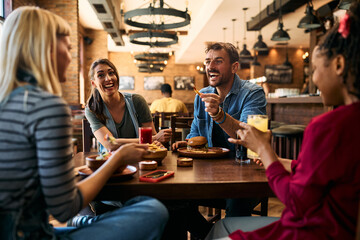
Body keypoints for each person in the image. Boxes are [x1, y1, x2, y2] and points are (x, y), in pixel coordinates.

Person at [0, 6, 168, 240]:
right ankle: (87, 220)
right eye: (67, 48)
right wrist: (119, 157)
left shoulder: (9, 100)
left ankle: (86, 221)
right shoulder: (50, 106)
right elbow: (64, 207)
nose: (70, 57)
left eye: (111, 73)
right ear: (45, 49)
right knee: (154, 209)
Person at [206, 3, 360, 239]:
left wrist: (265, 151)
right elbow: (327, 175)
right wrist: (278, 160)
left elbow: (297, 202)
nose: (315, 79)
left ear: (338, 65)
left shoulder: (328, 127)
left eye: (316, 69)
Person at [172, 42, 267, 237]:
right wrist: (188, 141)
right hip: (209, 174)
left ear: (234, 67)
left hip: (245, 175)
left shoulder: (253, 93)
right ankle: (212, 235)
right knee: (173, 200)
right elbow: (195, 132)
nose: (210, 66)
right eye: (207, 61)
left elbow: (252, 140)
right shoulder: (202, 96)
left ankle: (222, 236)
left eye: (218, 61)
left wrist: (219, 115)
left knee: (237, 203)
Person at [85, 58, 172, 153]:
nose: (108, 79)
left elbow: (152, 137)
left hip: (140, 159)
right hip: (109, 162)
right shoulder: (92, 110)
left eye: (111, 73)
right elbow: (110, 144)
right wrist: (153, 139)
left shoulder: (137, 101)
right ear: (93, 83)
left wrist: (155, 140)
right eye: (101, 75)